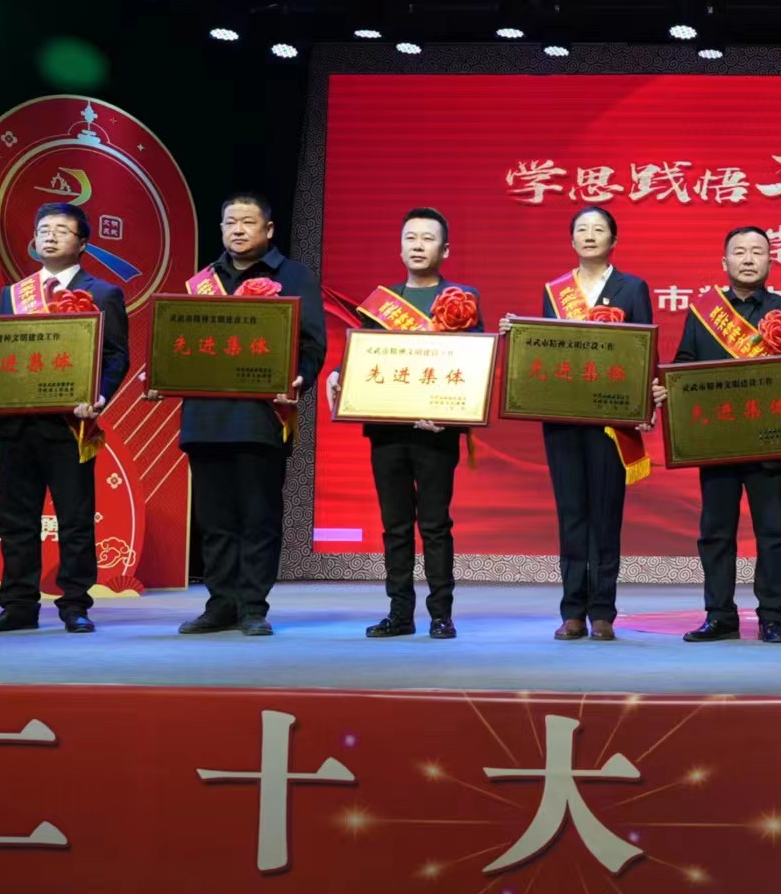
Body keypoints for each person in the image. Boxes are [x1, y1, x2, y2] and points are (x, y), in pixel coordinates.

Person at [167, 193, 326, 637]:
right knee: (215, 519)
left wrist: (300, 377)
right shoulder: (203, 281)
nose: (237, 229)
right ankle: (220, 604)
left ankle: (253, 606)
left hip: (262, 417)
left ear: (268, 229)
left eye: (247, 222)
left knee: (258, 516)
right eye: (230, 222)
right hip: (205, 418)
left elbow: (312, 342)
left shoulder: (294, 276)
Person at [0, 202, 130, 635]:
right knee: (16, 520)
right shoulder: (13, 294)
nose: (50, 236)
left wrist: (98, 397)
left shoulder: (104, 293)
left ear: (83, 243)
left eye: (61, 229)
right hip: (16, 424)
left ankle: (75, 604)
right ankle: (18, 605)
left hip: (69, 425)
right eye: (43, 229)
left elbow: (116, 356)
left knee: (75, 519)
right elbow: (0, 353)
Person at [651, 227, 781, 643]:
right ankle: (719, 615)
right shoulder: (704, 312)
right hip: (717, 443)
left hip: (771, 442)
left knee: (772, 533)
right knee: (716, 533)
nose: (748, 259)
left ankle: (772, 617)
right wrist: (667, 388)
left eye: (757, 251)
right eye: (739, 252)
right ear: (725, 262)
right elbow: (684, 365)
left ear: (770, 260)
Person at [326, 207, 478, 641]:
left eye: (427, 238)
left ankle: (441, 614)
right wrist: (338, 373)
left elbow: (473, 366)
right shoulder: (381, 304)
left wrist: (449, 413)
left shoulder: (461, 301)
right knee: (395, 525)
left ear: (445, 250)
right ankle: (399, 613)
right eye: (410, 237)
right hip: (388, 431)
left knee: (435, 525)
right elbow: (361, 355)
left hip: (436, 433)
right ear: (400, 248)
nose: (417, 245)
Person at [514, 204, 654, 642]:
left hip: (611, 419)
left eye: (598, 229)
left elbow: (644, 350)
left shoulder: (633, 288)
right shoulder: (555, 291)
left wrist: (643, 405)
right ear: (572, 239)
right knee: (572, 512)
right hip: (564, 417)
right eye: (582, 229)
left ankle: (603, 611)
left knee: (606, 514)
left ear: (613, 240)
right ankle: (572, 609)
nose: (590, 236)